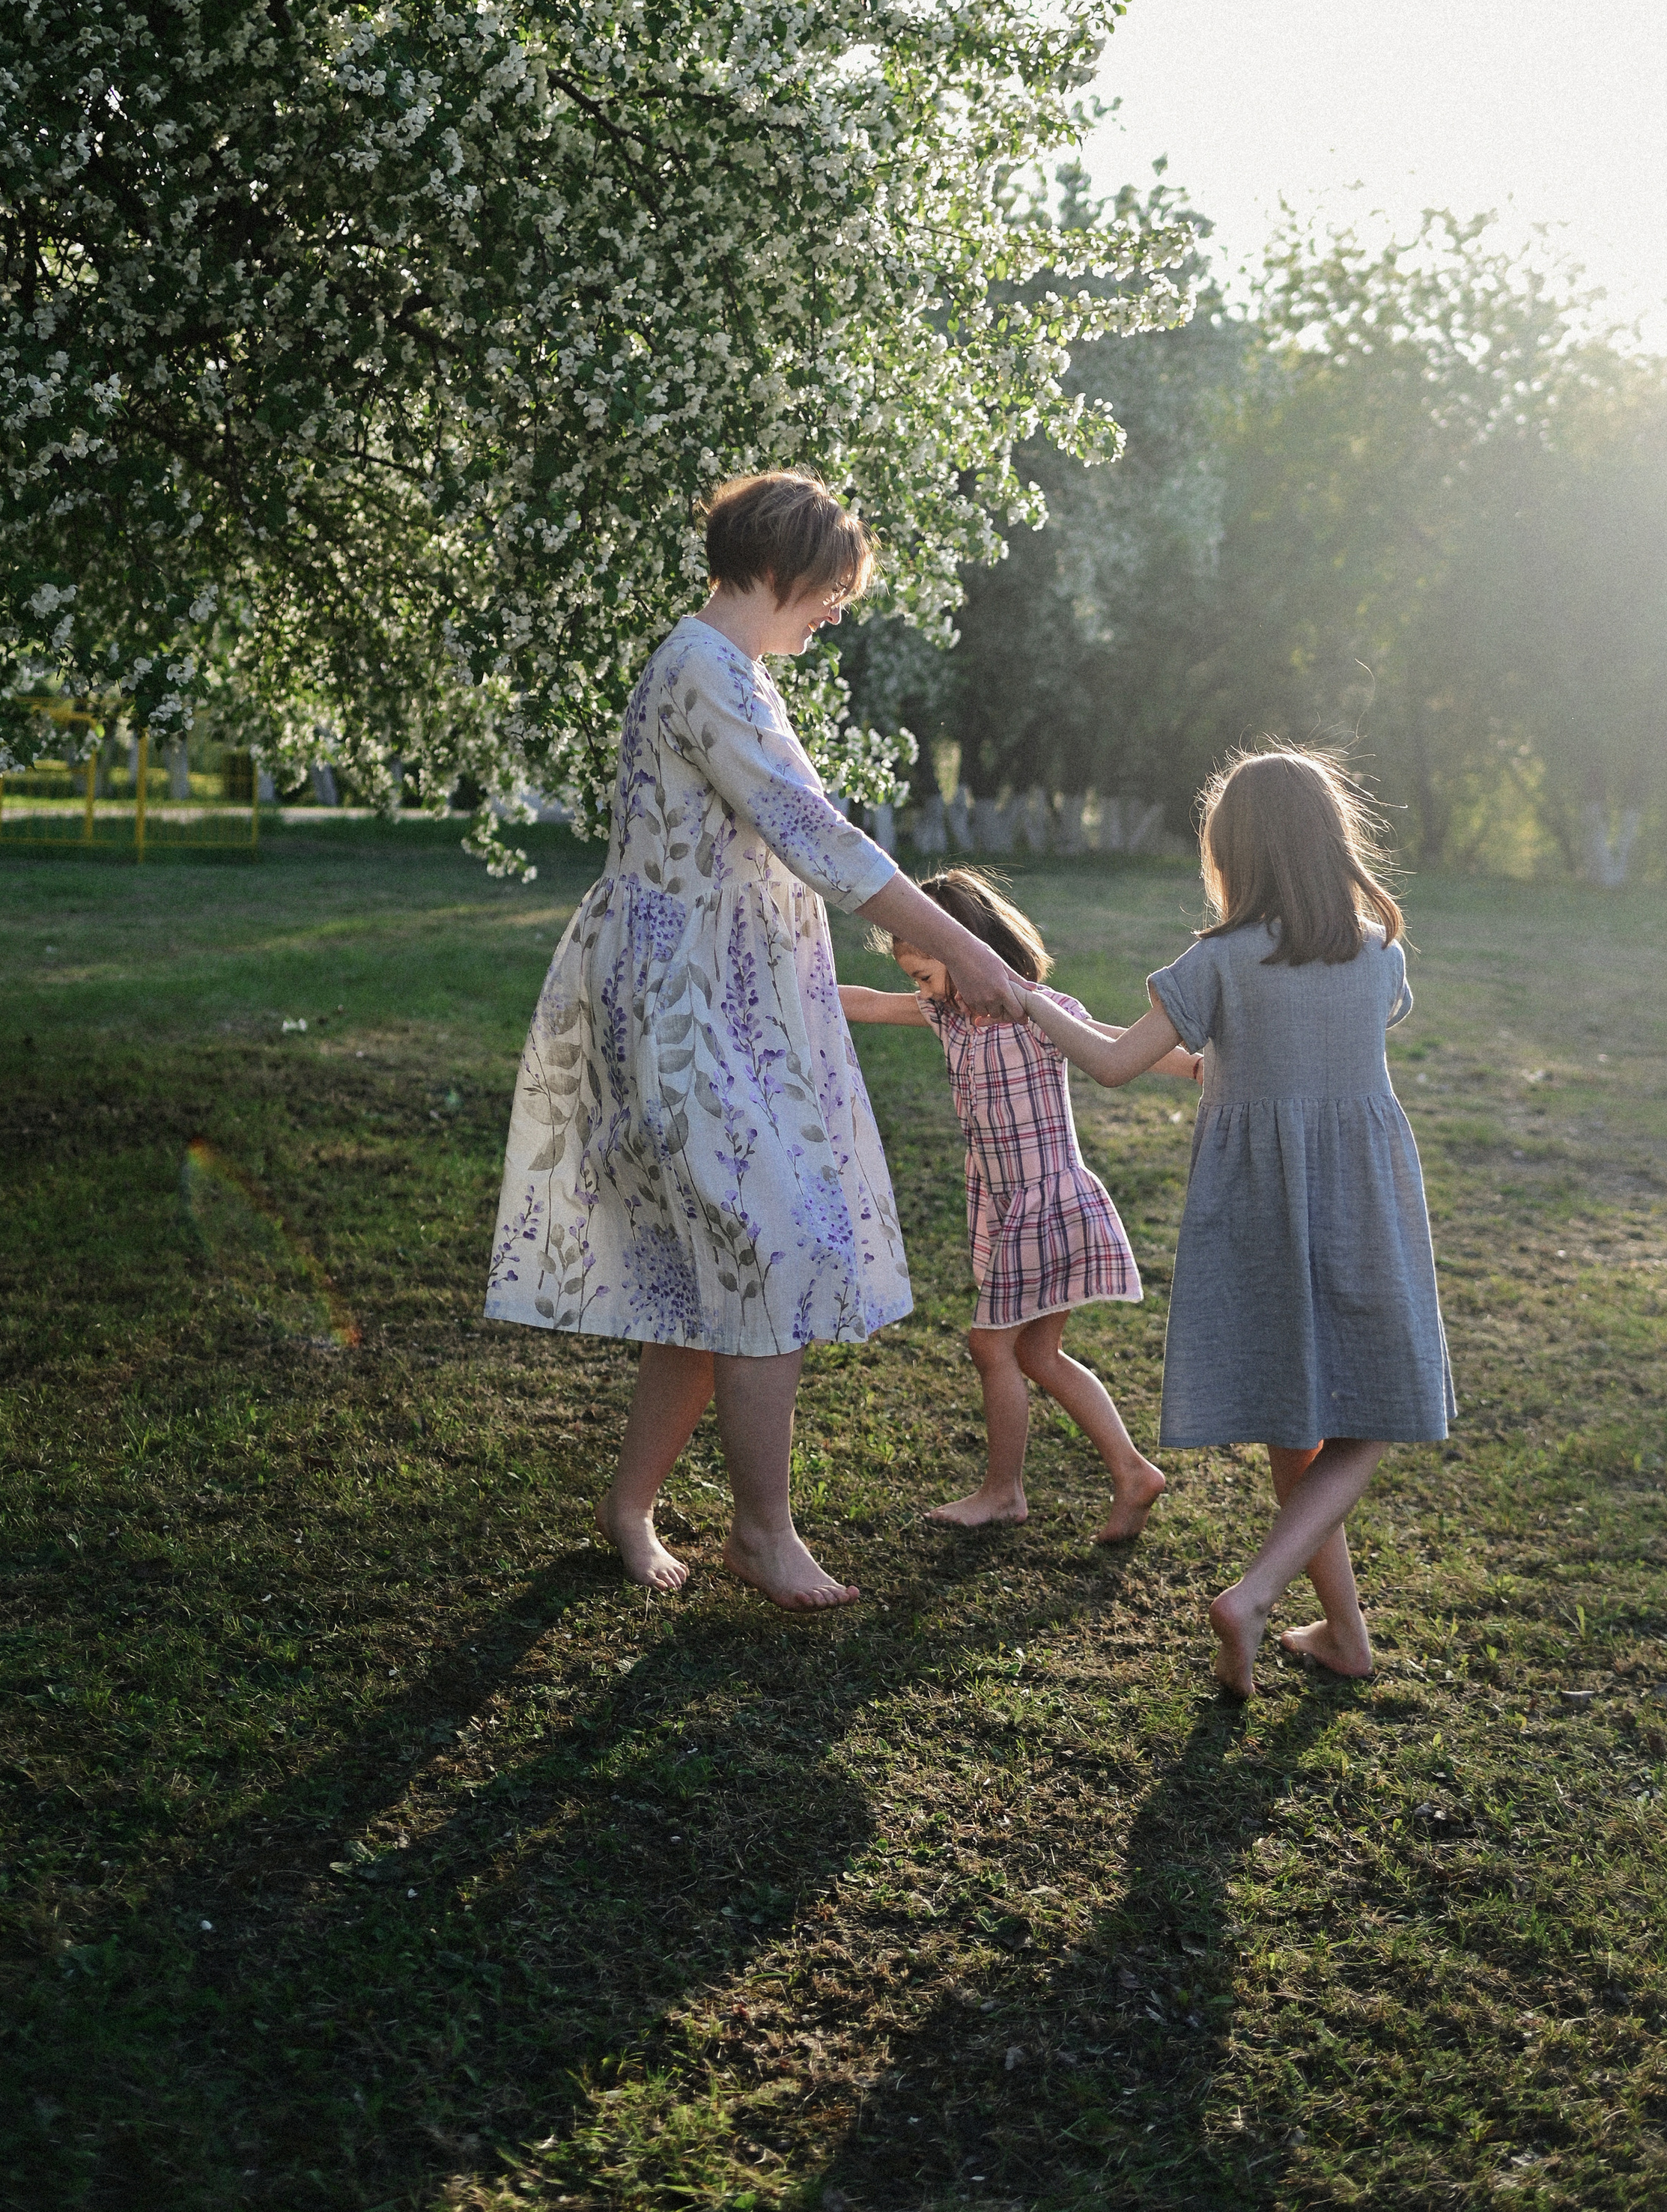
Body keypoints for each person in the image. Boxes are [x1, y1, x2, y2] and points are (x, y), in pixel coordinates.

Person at [485, 473, 1030, 1611]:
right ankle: (762, 1531)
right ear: (782, 569)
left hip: (717, 997)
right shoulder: (703, 671)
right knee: (766, 1243)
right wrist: (969, 954)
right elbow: (819, 838)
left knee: (714, 1266)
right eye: (833, 587)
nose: (838, 607)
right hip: (680, 1005)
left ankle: (632, 1505)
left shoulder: (731, 670)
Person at [1018, 749, 1454, 1695]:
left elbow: (1110, 1063)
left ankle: (1341, 1632)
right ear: (1329, 843)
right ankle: (1262, 1592)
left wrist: (1029, 1001)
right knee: (1376, 1408)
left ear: (1232, 853)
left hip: (1255, 1204)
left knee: (1296, 1426)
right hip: (1362, 1194)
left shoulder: (1212, 962)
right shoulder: (1379, 954)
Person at [839, 867, 1197, 1544]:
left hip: (1049, 1202)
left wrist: (1200, 1066)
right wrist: (791, 987)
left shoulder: (1034, 1009)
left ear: (965, 946)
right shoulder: (942, 1013)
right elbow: (867, 1002)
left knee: (990, 1345)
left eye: (924, 972)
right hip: (1007, 1204)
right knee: (1037, 1353)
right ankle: (1131, 1470)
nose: (919, 988)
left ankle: (1004, 1491)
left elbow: (1124, 1045)